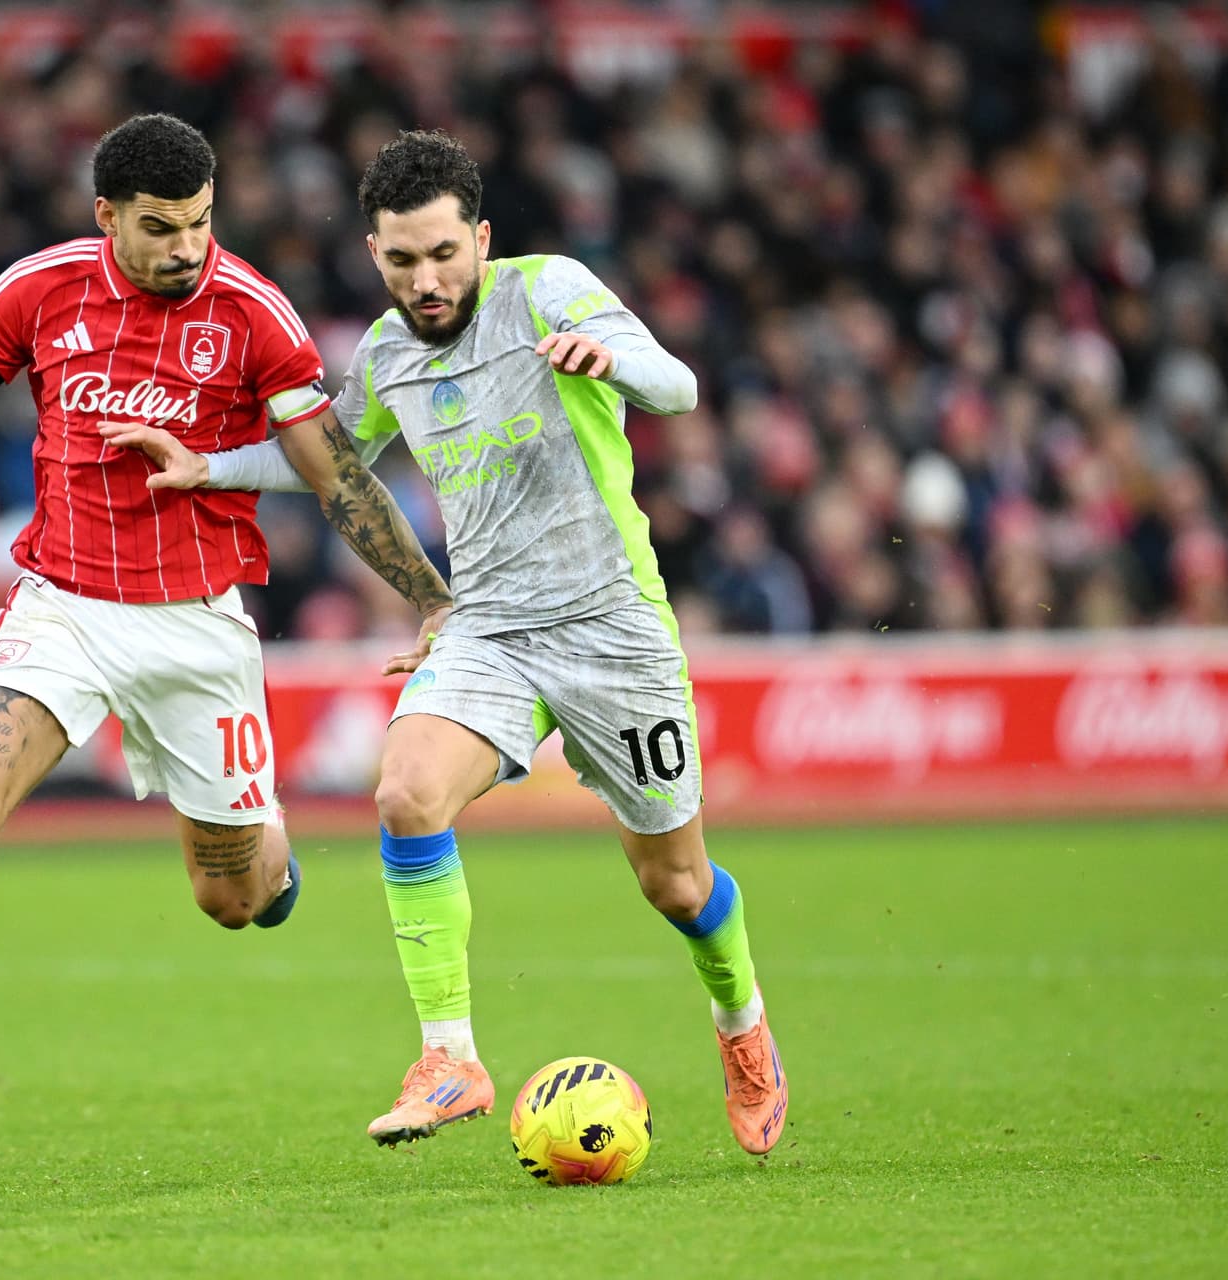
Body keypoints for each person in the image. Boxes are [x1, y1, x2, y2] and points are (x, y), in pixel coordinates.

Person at [103, 130, 787, 1156]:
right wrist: (212, 467)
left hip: (613, 627)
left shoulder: (548, 291)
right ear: (374, 254)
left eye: (443, 254)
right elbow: (329, 458)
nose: (426, 281)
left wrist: (618, 361)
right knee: (405, 791)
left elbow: (679, 385)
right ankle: (451, 1055)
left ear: (482, 237)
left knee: (677, 885)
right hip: (488, 627)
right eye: (400, 261)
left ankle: (743, 1027)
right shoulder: (385, 354)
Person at [0, 114, 451, 1136]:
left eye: (202, 223)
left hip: (195, 627)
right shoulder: (38, 290)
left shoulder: (254, 312)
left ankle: (267, 850)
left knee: (231, 898)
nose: (188, 247)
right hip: (62, 604)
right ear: (107, 216)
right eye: (163, 227)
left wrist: (432, 595)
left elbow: (333, 474)